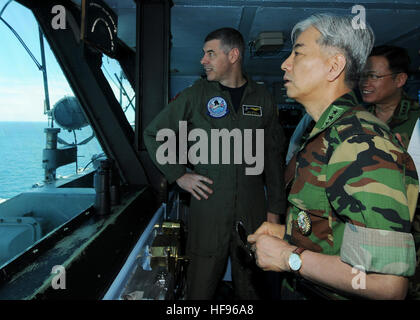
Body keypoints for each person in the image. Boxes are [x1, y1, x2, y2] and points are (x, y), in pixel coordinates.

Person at [248, 13, 419, 300]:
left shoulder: (361, 141)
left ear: (334, 66)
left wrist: (290, 256)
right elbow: (333, 229)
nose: (284, 64)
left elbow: (386, 284)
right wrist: (288, 232)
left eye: (298, 53)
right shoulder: (326, 132)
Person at [143, 27, 286, 299]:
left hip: (253, 210)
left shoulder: (262, 98)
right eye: (203, 54)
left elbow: (274, 159)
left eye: (210, 53)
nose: (203, 60)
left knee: (254, 286)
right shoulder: (196, 95)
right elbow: (154, 133)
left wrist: (275, 213)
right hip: (208, 209)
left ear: (233, 55)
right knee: (201, 286)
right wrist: (178, 174)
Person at [360, 45, 420, 148]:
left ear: (399, 80)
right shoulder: (356, 117)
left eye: (373, 76)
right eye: (362, 76)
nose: (364, 83)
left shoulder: (416, 118)